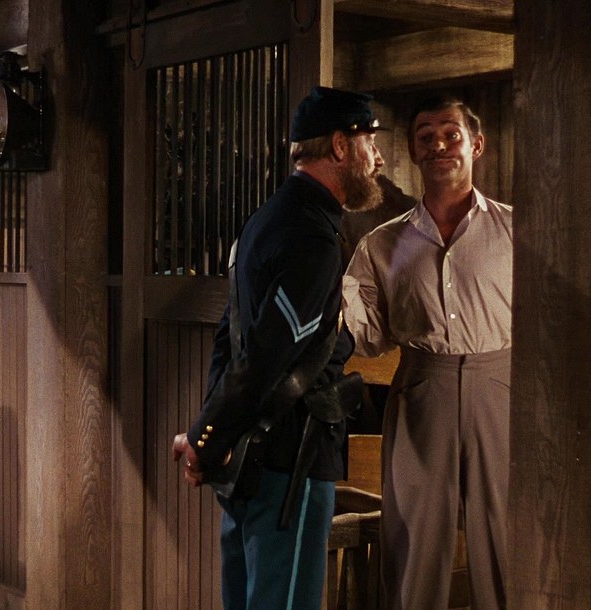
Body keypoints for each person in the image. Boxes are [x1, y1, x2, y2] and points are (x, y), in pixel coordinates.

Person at [172, 85, 385, 610]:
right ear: (341, 146)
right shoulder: (312, 236)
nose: (378, 158)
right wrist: (205, 439)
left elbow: (229, 341)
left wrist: (209, 435)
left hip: (249, 459)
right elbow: (265, 357)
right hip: (290, 461)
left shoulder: (265, 218)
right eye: (370, 142)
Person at [343, 95, 512, 609]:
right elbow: (368, 336)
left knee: (505, 534)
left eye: (450, 134)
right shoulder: (382, 244)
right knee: (415, 538)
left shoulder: (516, 230)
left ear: (476, 145)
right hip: (420, 389)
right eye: (425, 137)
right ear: (414, 152)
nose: (439, 145)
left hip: (501, 388)